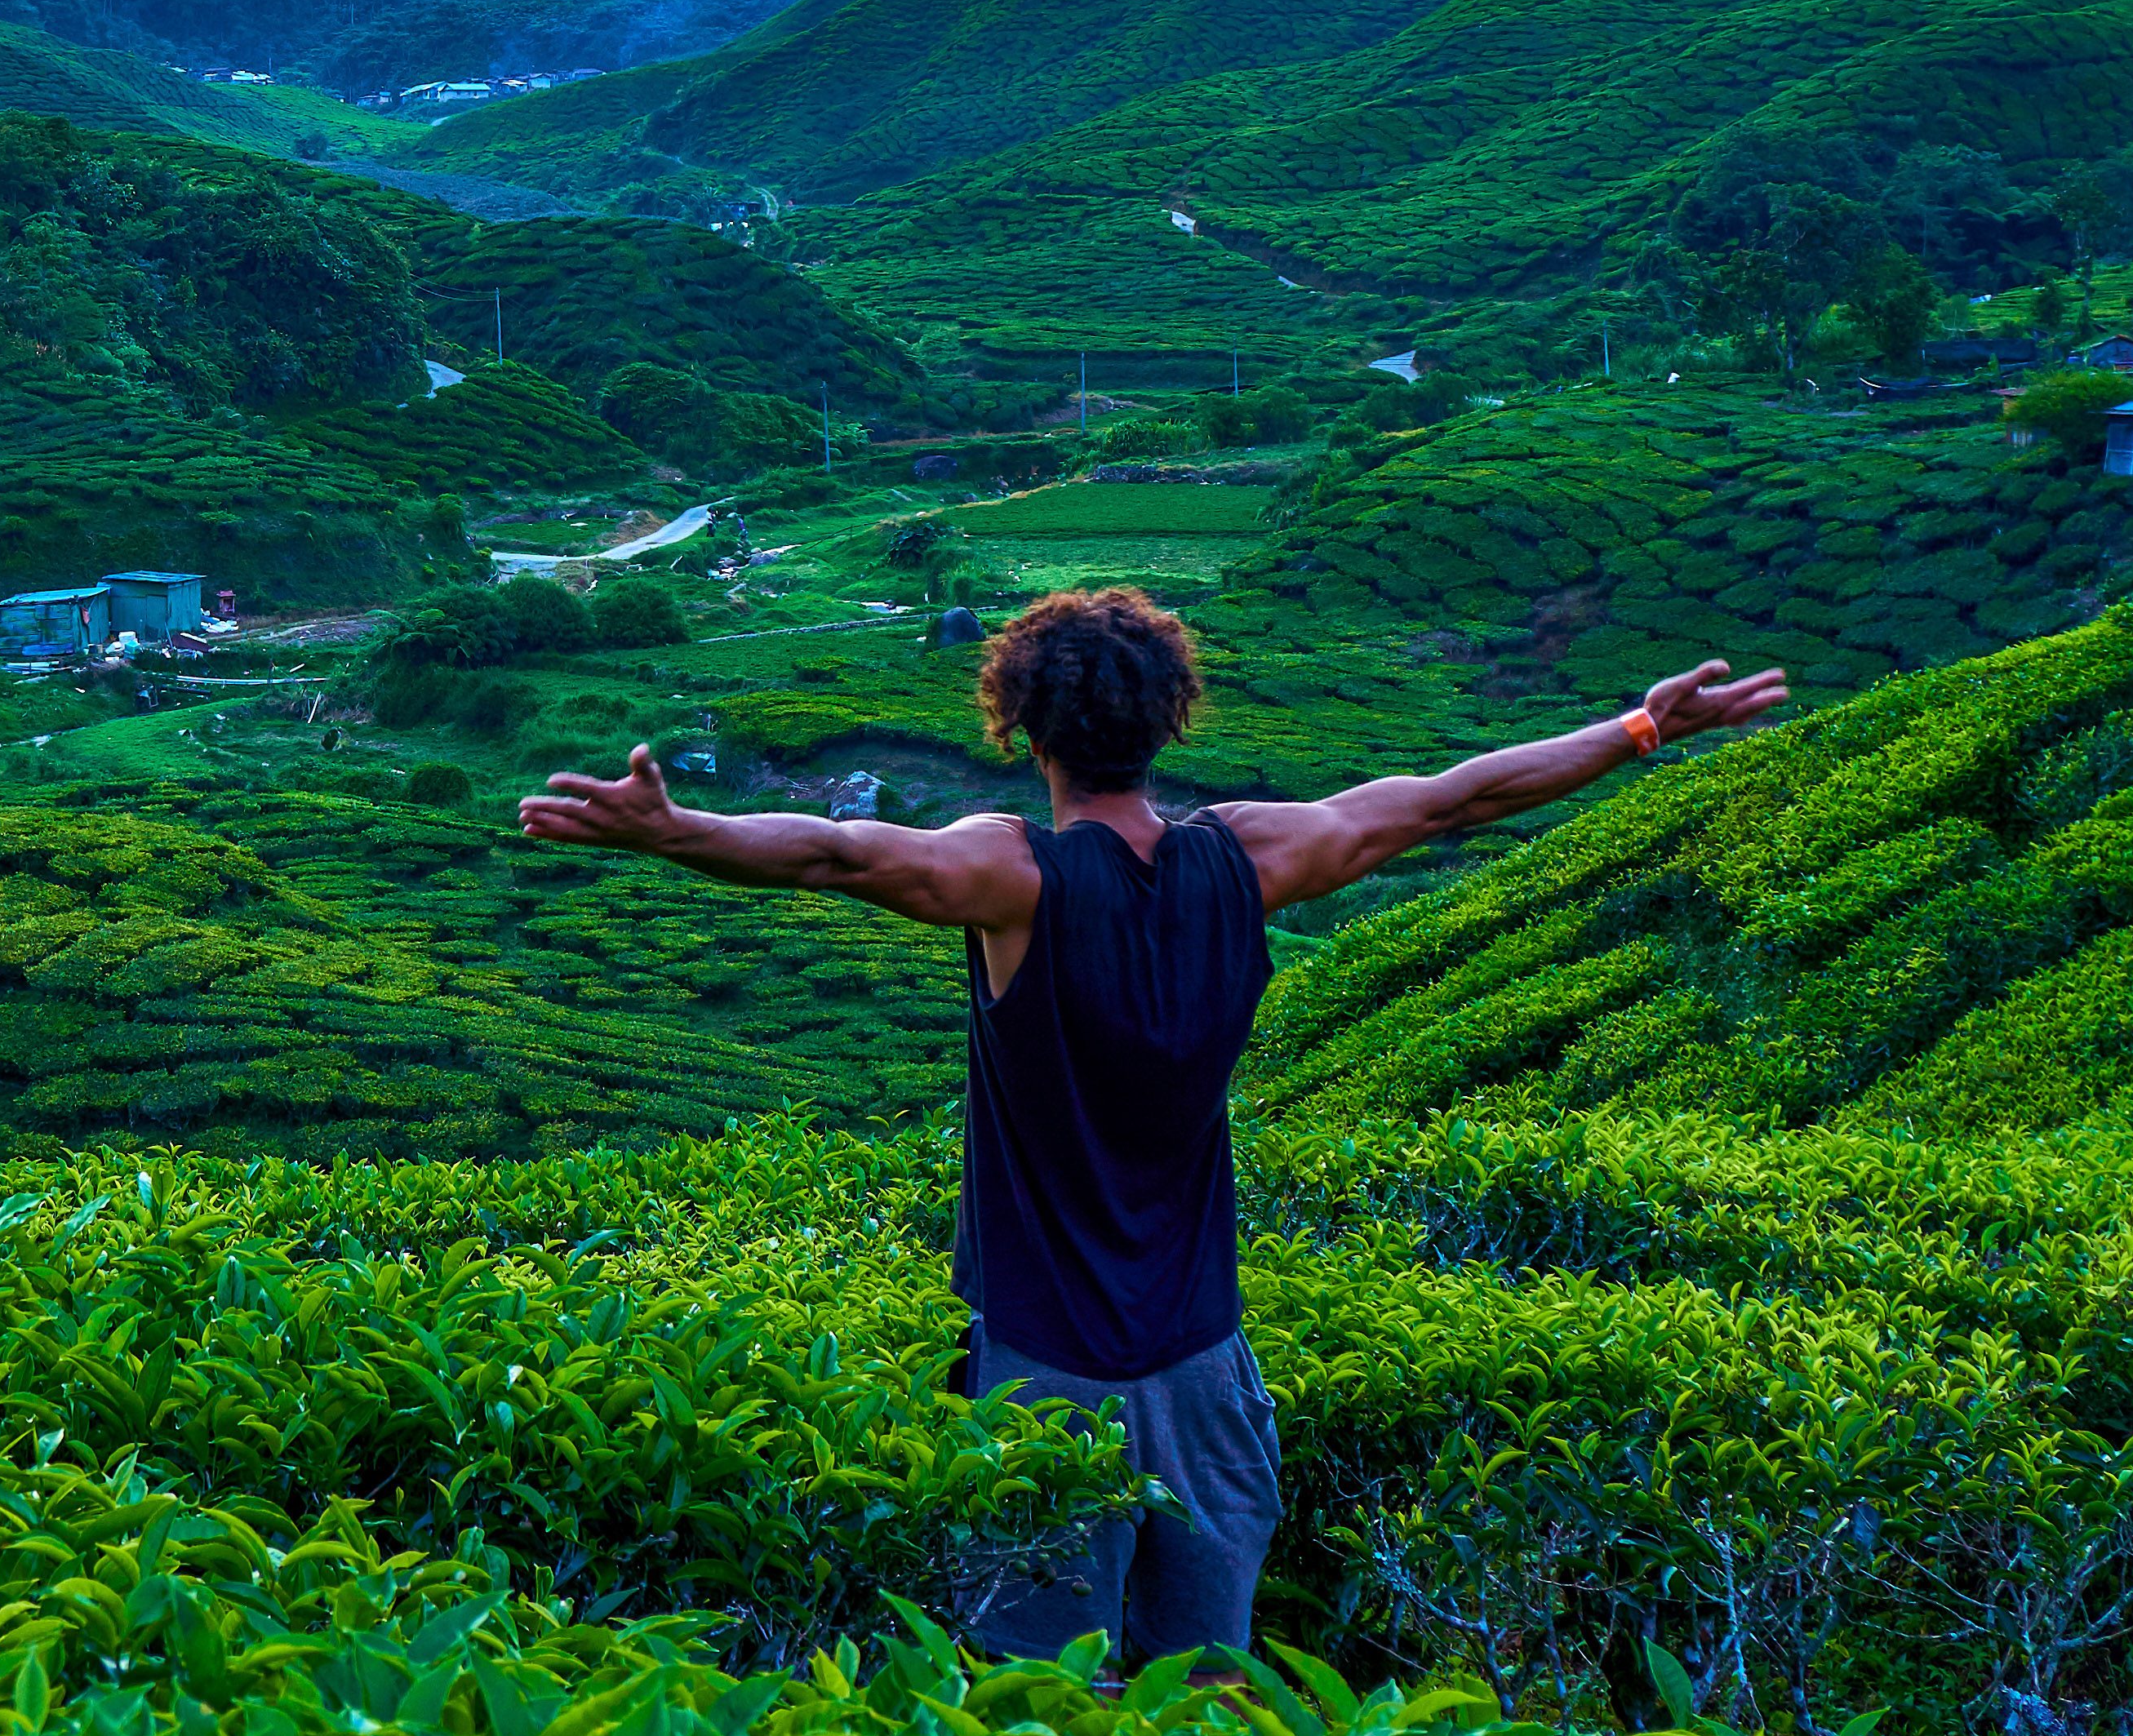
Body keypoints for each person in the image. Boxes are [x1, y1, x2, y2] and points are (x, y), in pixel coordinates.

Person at [513, 584, 1785, 1669]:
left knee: (1033, 1699)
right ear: (1173, 717)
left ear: (1018, 727)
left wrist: (677, 832)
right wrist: (1633, 728)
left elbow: (838, 856)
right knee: (1210, 1697)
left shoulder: (1009, 878)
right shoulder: (1254, 856)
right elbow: (1449, 801)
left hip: (1043, 1371)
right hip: (1201, 1365)